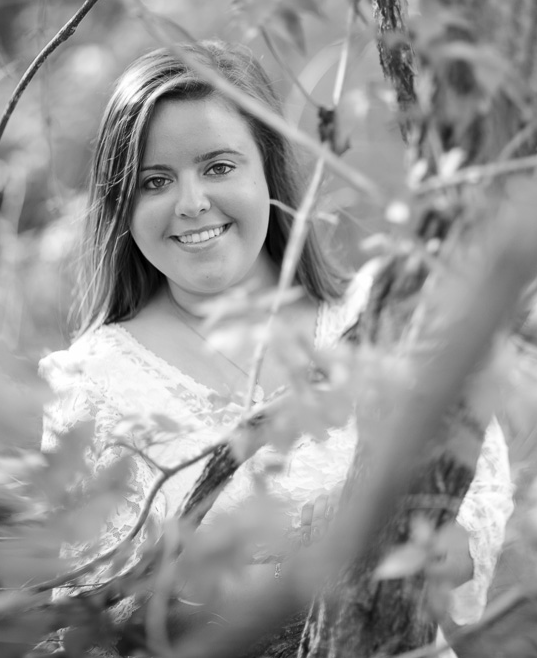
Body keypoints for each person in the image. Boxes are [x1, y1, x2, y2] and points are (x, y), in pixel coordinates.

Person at [39, 41, 513, 655]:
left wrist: (385, 539)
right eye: (155, 181)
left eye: (218, 167)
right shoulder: (94, 383)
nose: (191, 203)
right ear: (122, 205)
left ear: (269, 169)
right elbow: (91, 628)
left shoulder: (385, 317)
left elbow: (479, 508)